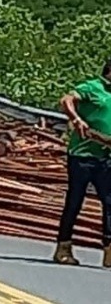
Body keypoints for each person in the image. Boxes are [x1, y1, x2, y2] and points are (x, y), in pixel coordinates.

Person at [54, 61, 111, 266]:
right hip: (82, 155)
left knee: (109, 201)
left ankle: (109, 250)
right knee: (75, 201)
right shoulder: (93, 87)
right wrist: (76, 118)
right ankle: (63, 246)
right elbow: (66, 99)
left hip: (105, 156)